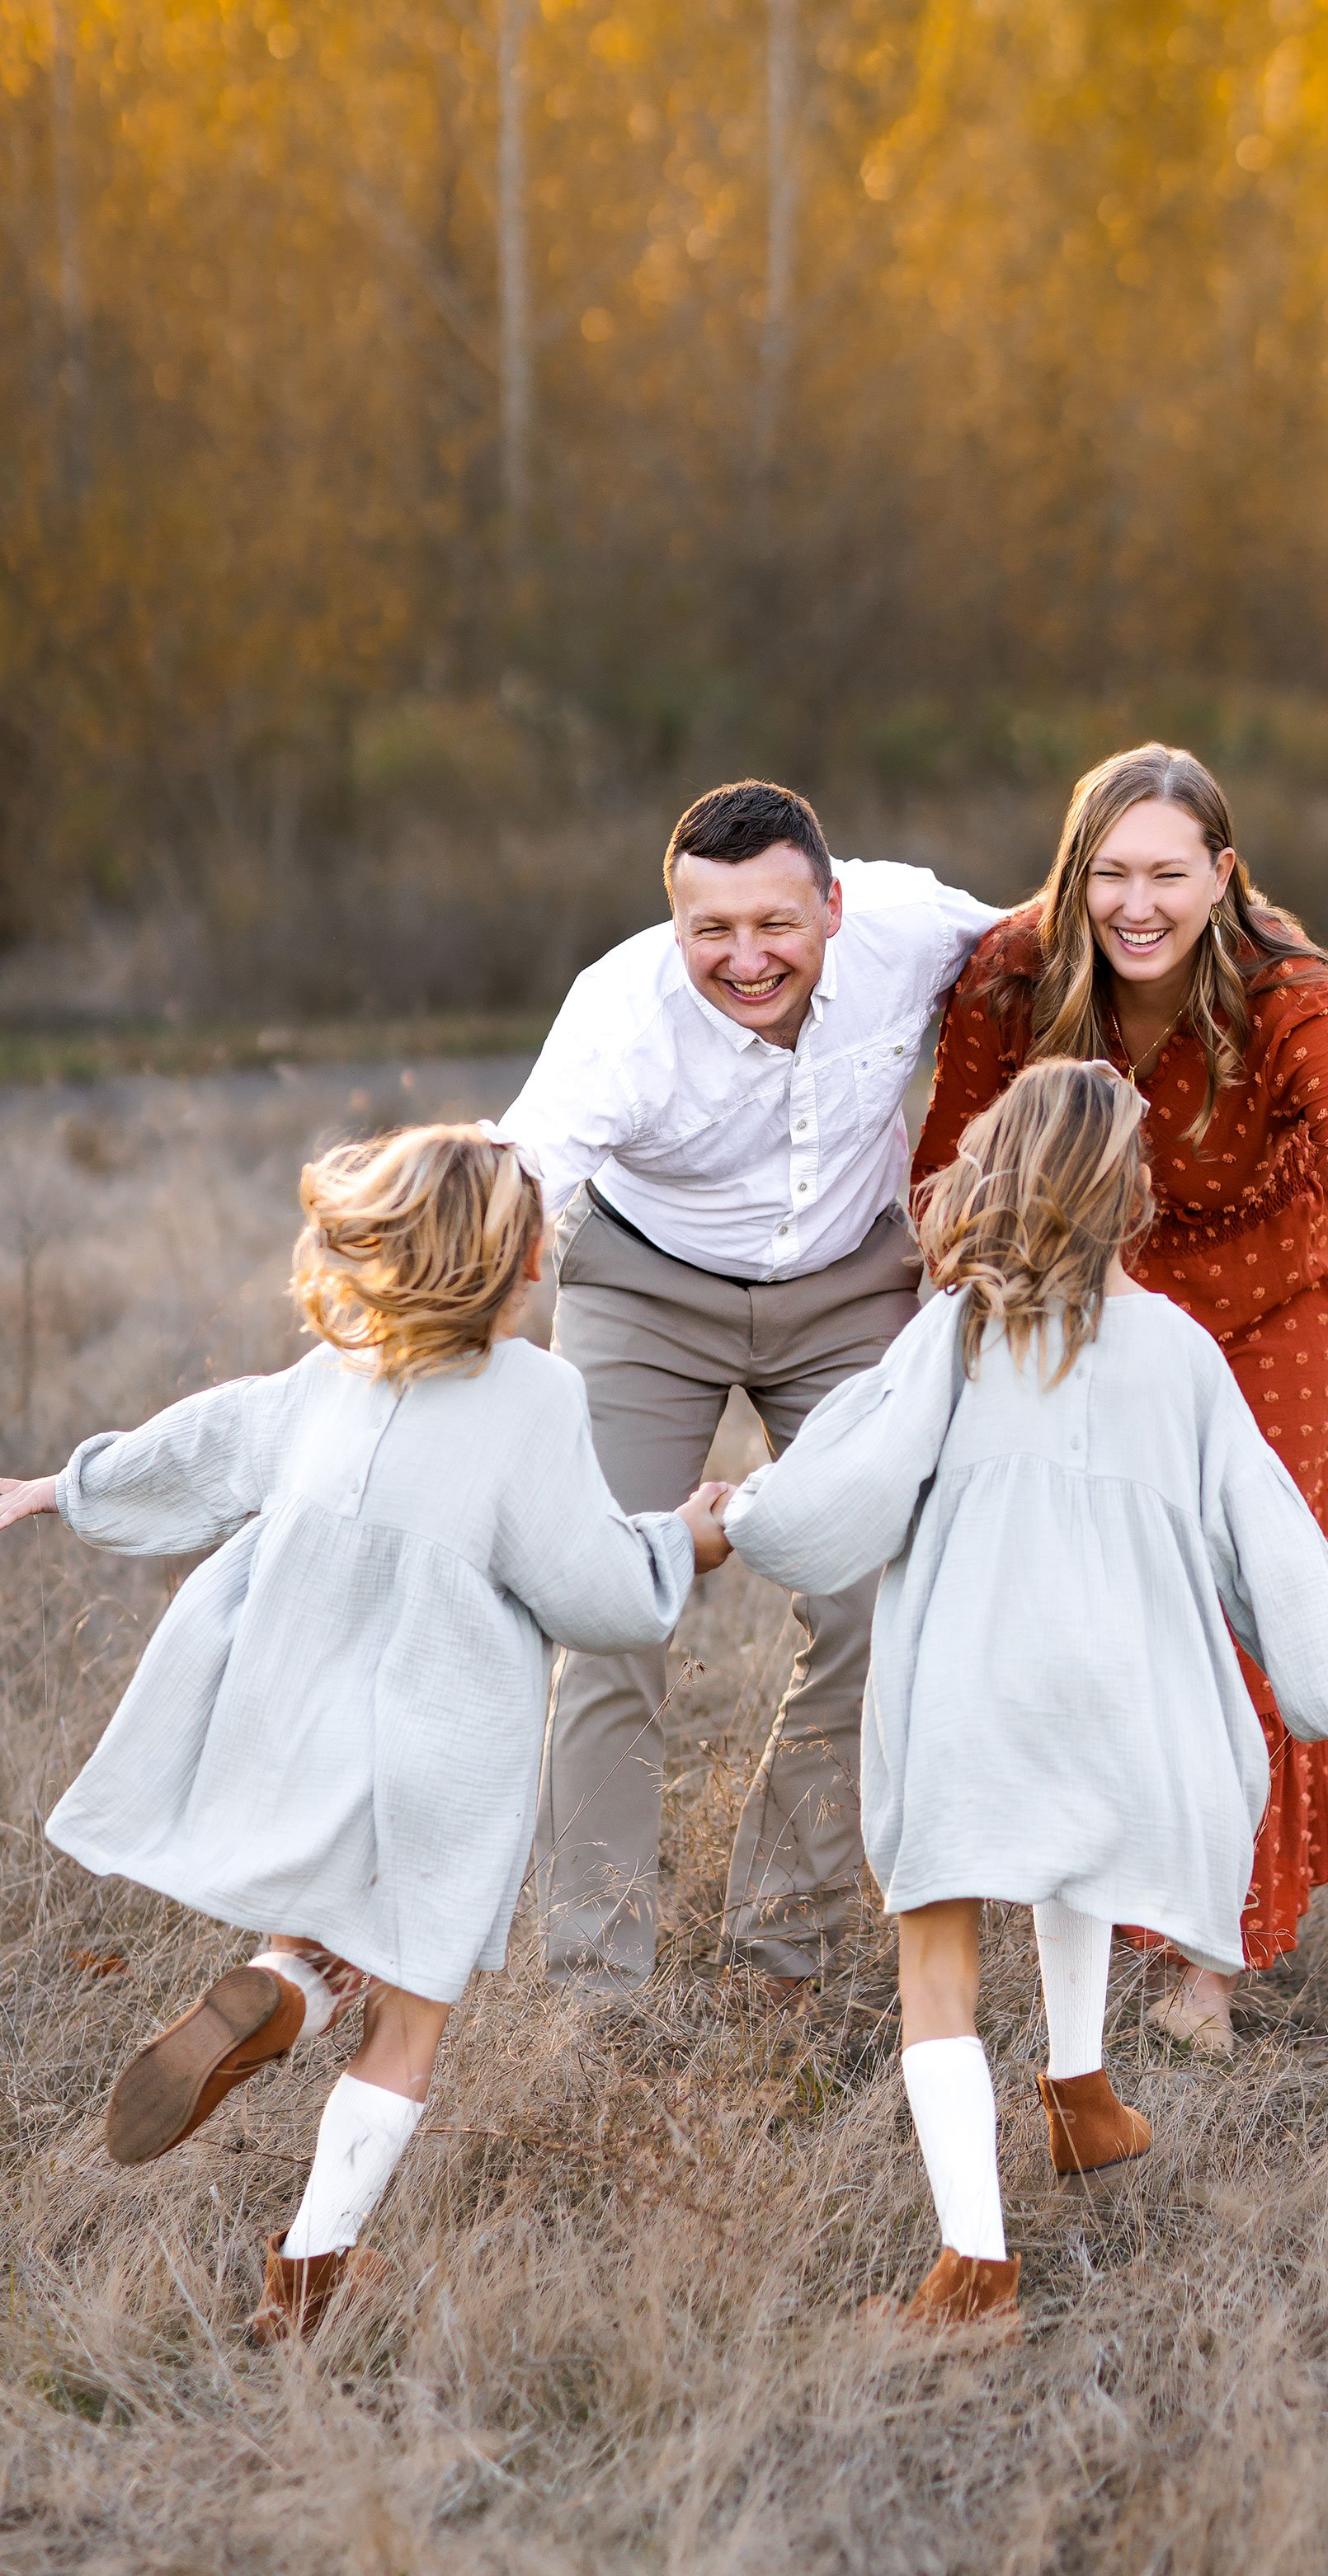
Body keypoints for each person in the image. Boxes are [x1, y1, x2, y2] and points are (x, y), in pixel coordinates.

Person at [0, 1126, 731, 2342]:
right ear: (523, 1261)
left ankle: (277, 1990)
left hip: (295, 1716)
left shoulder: (337, 1366)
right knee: (410, 2009)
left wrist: (62, 1489)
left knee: (327, 1933)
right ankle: (309, 2278)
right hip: (441, 1740)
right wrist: (684, 1545)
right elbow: (588, 1585)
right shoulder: (537, 1393)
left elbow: (209, 1439)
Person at [720, 1061, 1328, 2331]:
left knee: (937, 1958)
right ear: (1132, 1201)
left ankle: (973, 2267)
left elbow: (846, 1494)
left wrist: (745, 1512)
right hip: (1122, 1695)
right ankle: (1082, 2095)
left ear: (998, 1176)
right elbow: (1266, 1534)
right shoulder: (1184, 1353)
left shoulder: (960, 1330)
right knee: (1078, 1857)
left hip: (973, 1687)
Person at [910, 744, 1328, 2054]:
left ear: (1223, 873)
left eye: (1167, 874)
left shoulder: (1291, 994)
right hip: (1087, 1296)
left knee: (1247, 1597)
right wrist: (951, 1342)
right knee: (1103, 1606)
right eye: (1110, 875)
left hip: (1269, 1303)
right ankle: (1098, 1898)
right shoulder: (1013, 976)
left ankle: (1211, 1960)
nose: (1137, 906)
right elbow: (950, 1176)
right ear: (1074, 874)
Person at [495, 778, 996, 1998]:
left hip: (849, 1281)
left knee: (879, 1603)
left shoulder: (913, 925)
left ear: (834, 904)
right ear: (674, 923)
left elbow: (1070, 944)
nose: (746, 957)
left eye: (776, 924)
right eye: (710, 929)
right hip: (646, 1287)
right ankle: (596, 1986)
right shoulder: (621, 1014)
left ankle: (785, 1946)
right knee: (611, 1608)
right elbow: (514, 1186)